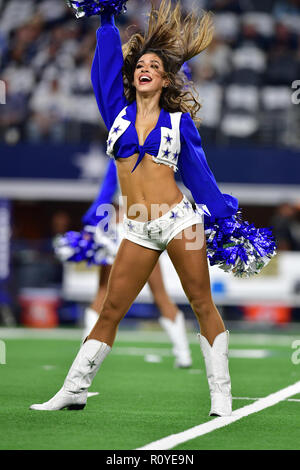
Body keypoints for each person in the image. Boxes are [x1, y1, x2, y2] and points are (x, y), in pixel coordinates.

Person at [30, 0, 274, 416]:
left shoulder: (180, 123)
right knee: (111, 308)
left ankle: (221, 397)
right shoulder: (118, 115)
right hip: (138, 227)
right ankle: (74, 389)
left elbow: (200, 178)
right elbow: (104, 73)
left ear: (164, 81)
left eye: (154, 68)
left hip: (181, 222)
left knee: (202, 304)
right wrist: (107, 21)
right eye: (140, 65)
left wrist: (226, 222)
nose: (144, 69)